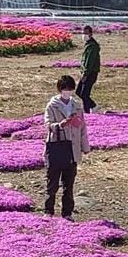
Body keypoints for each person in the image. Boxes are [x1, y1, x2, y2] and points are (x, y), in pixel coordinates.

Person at [42, 74, 89, 219]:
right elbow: (48, 125)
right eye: (65, 89)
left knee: (69, 184)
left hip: (72, 150)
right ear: (60, 89)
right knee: (52, 182)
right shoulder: (52, 105)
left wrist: (85, 147)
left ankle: (67, 212)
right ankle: (48, 210)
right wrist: (63, 124)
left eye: (70, 89)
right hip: (57, 147)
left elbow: (83, 128)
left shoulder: (76, 105)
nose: (67, 92)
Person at [77, 25, 101, 113]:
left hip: (91, 73)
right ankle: (93, 107)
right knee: (79, 92)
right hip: (87, 72)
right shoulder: (88, 45)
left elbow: (89, 62)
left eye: (86, 33)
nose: (84, 35)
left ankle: (87, 112)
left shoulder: (92, 46)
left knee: (84, 94)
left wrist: (85, 74)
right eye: (83, 33)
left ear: (91, 34)